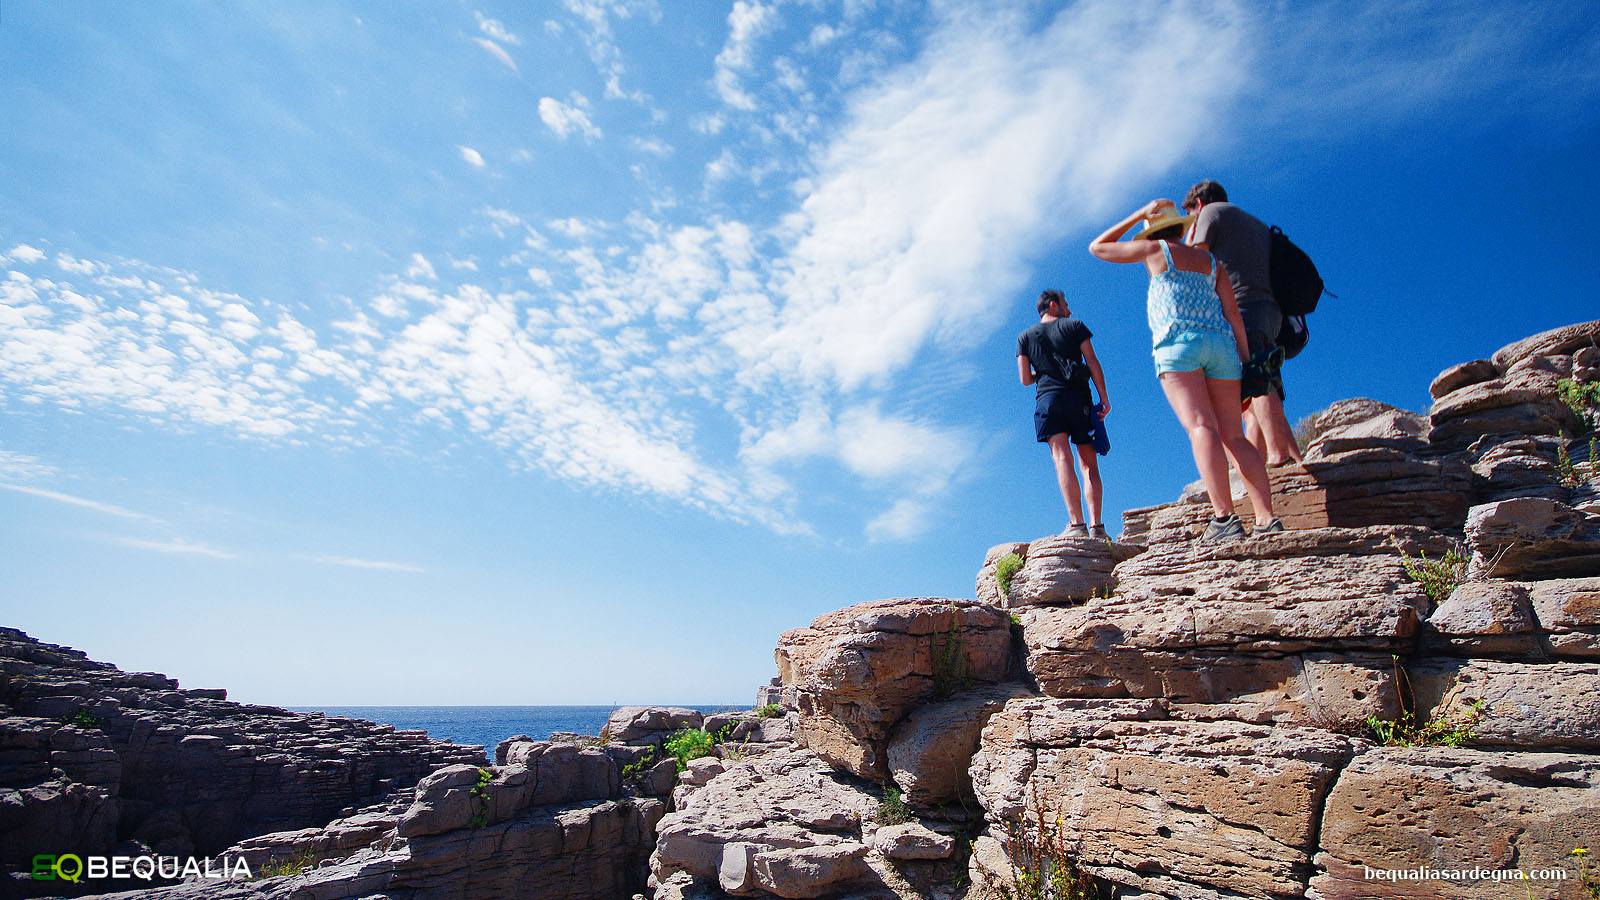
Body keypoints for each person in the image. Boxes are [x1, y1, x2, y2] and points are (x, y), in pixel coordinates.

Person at [1089, 200, 1281, 542]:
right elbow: (1234, 315)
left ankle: (1225, 519)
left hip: (1178, 344)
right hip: (1222, 347)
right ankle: (1267, 519)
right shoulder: (1212, 262)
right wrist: (1246, 362)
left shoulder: (1153, 249)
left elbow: (1098, 247)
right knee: (1234, 435)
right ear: (1181, 227)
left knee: (1201, 427)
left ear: (1153, 230)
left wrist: (1137, 214)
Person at [1182, 179, 1303, 466]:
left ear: (1198, 204)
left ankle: (1278, 458)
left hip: (1243, 307)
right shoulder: (1253, 223)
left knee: (1255, 379)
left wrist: (1186, 240)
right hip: (1272, 312)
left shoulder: (1210, 214)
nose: (1190, 222)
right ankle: (1265, 464)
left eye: (1188, 216)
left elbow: (1193, 261)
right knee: (1253, 389)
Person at [1016, 289, 1110, 538]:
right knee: (1089, 464)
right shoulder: (1075, 326)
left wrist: (1045, 372)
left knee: (1061, 458)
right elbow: (1092, 361)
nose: (1069, 308)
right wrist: (1104, 398)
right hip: (1079, 398)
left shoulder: (1024, 337)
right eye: (1065, 303)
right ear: (1053, 305)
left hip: (1048, 399)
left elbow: (1025, 379)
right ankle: (1097, 527)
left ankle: (1076, 525)